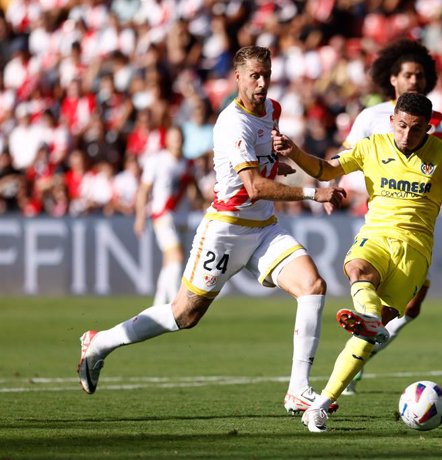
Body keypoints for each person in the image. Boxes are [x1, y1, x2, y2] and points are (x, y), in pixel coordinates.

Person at [77, 46, 346, 417]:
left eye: (266, 74)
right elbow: (252, 186)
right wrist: (314, 193)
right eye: (255, 75)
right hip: (227, 229)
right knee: (184, 315)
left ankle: (298, 390)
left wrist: (277, 167)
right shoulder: (231, 123)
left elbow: (262, 169)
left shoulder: (273, 110)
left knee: (313, 286)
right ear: (237, 77)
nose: (263, 83)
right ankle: (99, 343)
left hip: (264, 228)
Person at [272, 92, 442, 432]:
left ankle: (323, 403)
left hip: (414, 254)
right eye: (401, 126)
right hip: (375, 237)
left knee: (365, 339)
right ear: (392, 122)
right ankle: (370, 317)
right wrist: (294, 151)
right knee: (357, 268)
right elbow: (327, 169)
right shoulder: (372, 147)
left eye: (415, 130)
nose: (406, 135)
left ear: (427, 129)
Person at [337, 38, 442, 395]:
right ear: (392, 79)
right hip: (377, 212)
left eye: (420, 75)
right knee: (380, 288)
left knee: (411, 308)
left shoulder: (440, 123)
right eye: (407, 75)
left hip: (417, 218)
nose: (414, 81)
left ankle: (362, 348)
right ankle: (358, 354)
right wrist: (334, 192)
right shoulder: (371, 117)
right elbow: (344, 159)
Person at [134, 126, 197, 306]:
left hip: (182, 216)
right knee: (176, 257)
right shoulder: (157, 161)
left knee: (171, 260)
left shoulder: (188, 163)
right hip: (163, 215)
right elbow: (144, 190)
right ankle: (175, 303)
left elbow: (193, 188)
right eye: (173, 138)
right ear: (167, 141)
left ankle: (159, 303)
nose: (177, 142)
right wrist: (140, 217)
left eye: (179, 138)